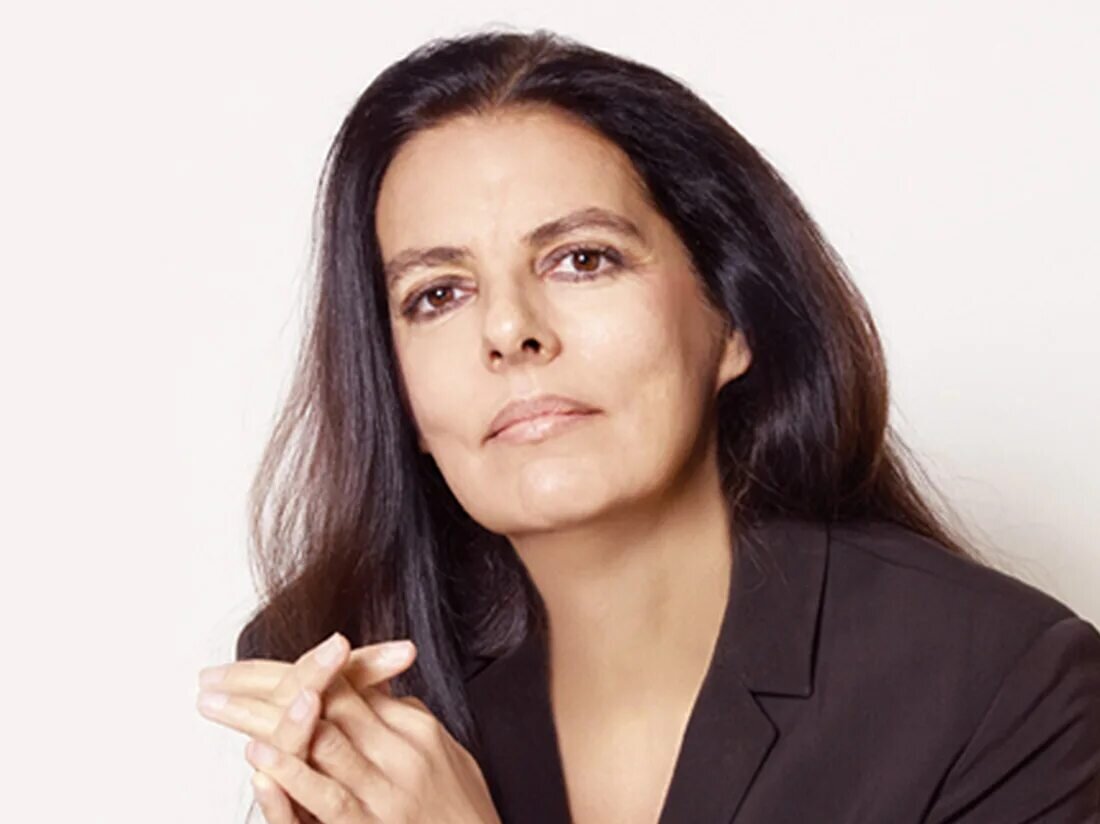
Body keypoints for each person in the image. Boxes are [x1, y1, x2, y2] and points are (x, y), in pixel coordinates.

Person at [195, 27, 1100, 822]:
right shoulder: (341, 665)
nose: (509, 330)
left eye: (582, 259)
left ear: (732, 321)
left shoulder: (1003, 687)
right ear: (397, 392)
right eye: (437, 294)